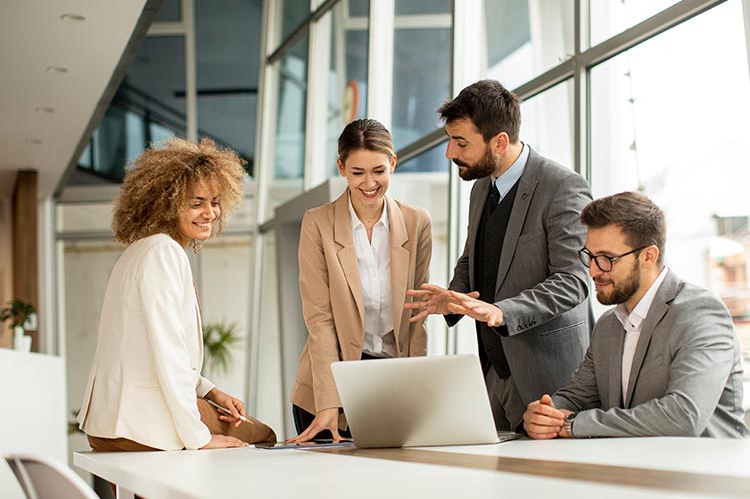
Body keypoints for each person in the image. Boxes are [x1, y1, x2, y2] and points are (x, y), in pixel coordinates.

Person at [406, 79, 592, 431]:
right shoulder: (481, 188)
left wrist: (501, 311)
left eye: (460, 143)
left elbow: (574, 281)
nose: (450, 153)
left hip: (550, 377)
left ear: (500, 141)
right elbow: (473, 255)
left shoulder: (562, 186)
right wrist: (453, 295)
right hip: (494, 372)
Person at [78, 137, 276, 452]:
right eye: (196, 202)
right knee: (263, 434)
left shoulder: (139, 251)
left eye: (214, 201)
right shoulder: (163, 252)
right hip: (141, 424)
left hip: (107, 424)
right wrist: (200, 438)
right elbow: (168, 353)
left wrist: (211, 392)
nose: (209, 213)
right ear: (166, 203)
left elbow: (149, 350)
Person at [523, 192, 750, 439]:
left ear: (648, 256)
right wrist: (545, 414)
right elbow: (576, 397)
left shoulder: (701, 314)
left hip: (705, 472)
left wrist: (572, 425)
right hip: (635, 470)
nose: (593, 270)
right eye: (589, 256)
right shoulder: (608, 325)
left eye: (606, 259)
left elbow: (684, 416)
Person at [289, 119, 432, 443]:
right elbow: (320, 320)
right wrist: (329, 402)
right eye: (357, 173)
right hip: (328, 387)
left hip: (390, 383)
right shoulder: (318, 224)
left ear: (393, 163)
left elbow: (417, 315)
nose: (369, 183)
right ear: (341, 167)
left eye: (379, 171)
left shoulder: (416, 222)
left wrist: (418, 393)